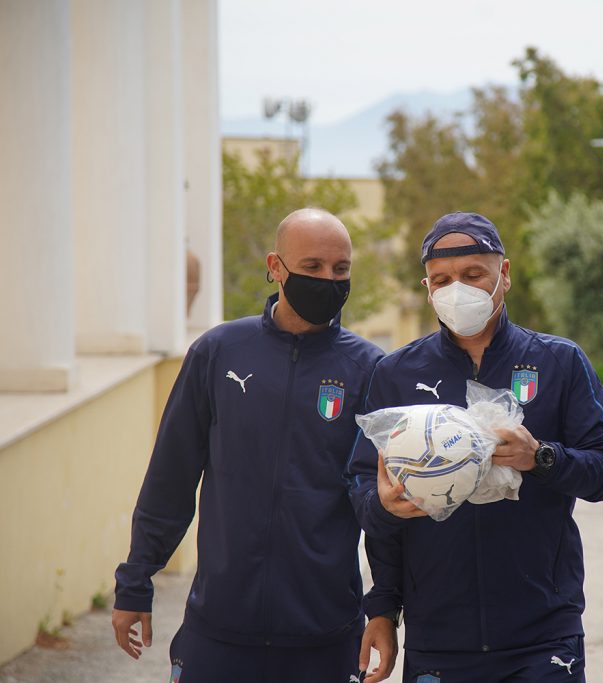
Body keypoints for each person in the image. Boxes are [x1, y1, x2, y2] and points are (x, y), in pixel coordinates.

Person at [111, 208, 397, 683]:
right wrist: (135, 582)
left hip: (324, 635)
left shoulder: (371, 369)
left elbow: (383, 501)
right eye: (313, 267)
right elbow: (172, 475)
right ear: (275, 266)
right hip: (219, 630)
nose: (328, 279)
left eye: (340, 269)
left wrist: (385, 608)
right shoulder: (218, 351)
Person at [347, 212, 603, 682]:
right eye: (442, 279)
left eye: (474, 275)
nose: (459, 289)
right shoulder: (396, 373)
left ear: (505, 275)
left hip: (543, 634)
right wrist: (383, 606)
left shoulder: (559, 361)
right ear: (427, 287)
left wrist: (542, 458)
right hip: (439, 637)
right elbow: (363, 489)